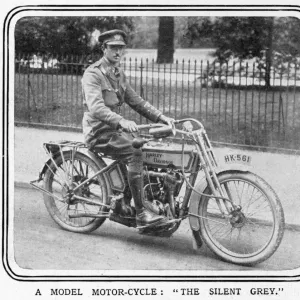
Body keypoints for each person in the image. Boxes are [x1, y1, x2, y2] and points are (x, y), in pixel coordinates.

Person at [81, 29, 174, 227]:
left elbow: (136, 101)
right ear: (103, 48)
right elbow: (96, 107)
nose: (117, 52)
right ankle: (141, 213)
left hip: (114, 131)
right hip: (99, 132)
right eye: (113, 48)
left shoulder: (118, 73)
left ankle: (133, 201)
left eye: (120, 48)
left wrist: (161, 117)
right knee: (135, 151)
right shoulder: (93, 73)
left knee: (149, 148)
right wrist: (121, 121)